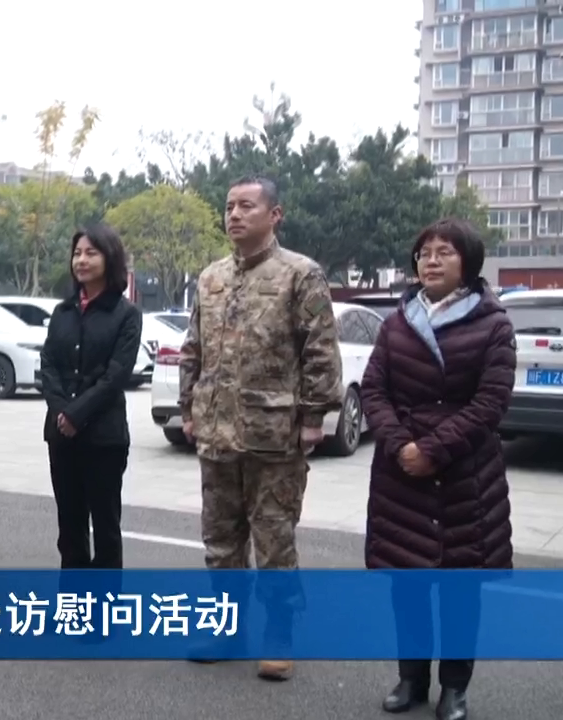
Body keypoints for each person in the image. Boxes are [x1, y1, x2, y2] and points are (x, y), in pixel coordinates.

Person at [178, 175, 343, 681]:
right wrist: (188, 408)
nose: (234, 215)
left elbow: (320, 350)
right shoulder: (210, 277)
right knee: (220, 541)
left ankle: (278, 634)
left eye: (246, 206)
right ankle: (227, 630)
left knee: (274, 540)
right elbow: (193, 347)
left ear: (274, 215)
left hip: (274, 436)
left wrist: (313, 417)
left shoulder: (300, 274)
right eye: (229, 206)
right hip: (216, 432)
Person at [361, 218, 515, 720]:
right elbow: (374, 389)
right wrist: (400, 444)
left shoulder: (494, 324)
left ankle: (455, 687)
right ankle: (411, 679)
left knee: (458, 593)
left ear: (467, 262)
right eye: (424, 252)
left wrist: (433, 449)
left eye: (444, 252)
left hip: (463, 477)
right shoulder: (397, 322)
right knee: (406, 586)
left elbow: (491, 403)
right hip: (401, 475)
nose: (431, 261)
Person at [39, 224, 142, 569]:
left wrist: (76, 414)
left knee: (106, 528)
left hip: (104, 437)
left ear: (109, 258)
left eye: (91, 253)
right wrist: (61, 412)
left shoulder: (126, 314)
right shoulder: (63, 312)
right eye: (77, 253)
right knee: (70, 529)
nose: (81, 260)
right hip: (61, 435)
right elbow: (49, 363)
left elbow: (116, 375)